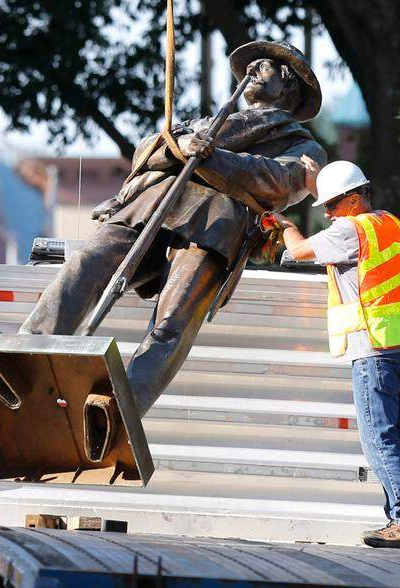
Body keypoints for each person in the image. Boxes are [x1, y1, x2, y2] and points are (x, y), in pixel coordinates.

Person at [19, 40, 327, 417]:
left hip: (217, 226)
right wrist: (180, 145)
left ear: (289, 85)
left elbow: (278, 180)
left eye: (264, 66)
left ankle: (118, 412)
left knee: (171, 323)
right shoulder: (207, 122)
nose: (252, 69)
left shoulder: (303, 145)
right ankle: (28, 353)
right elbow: (149, 147)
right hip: (151, 204)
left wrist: (213, 155)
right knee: (87, 263)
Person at [277, 159, 400, 550]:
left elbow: (297, 252)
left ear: (355, 198)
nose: (327, 213)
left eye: (331, 205)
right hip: (393, 347)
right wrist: (317, 184)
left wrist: (284, 225)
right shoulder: (387, 222)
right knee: (391, 437)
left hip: (371, 349)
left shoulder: (349, 230)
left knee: (378, 439)